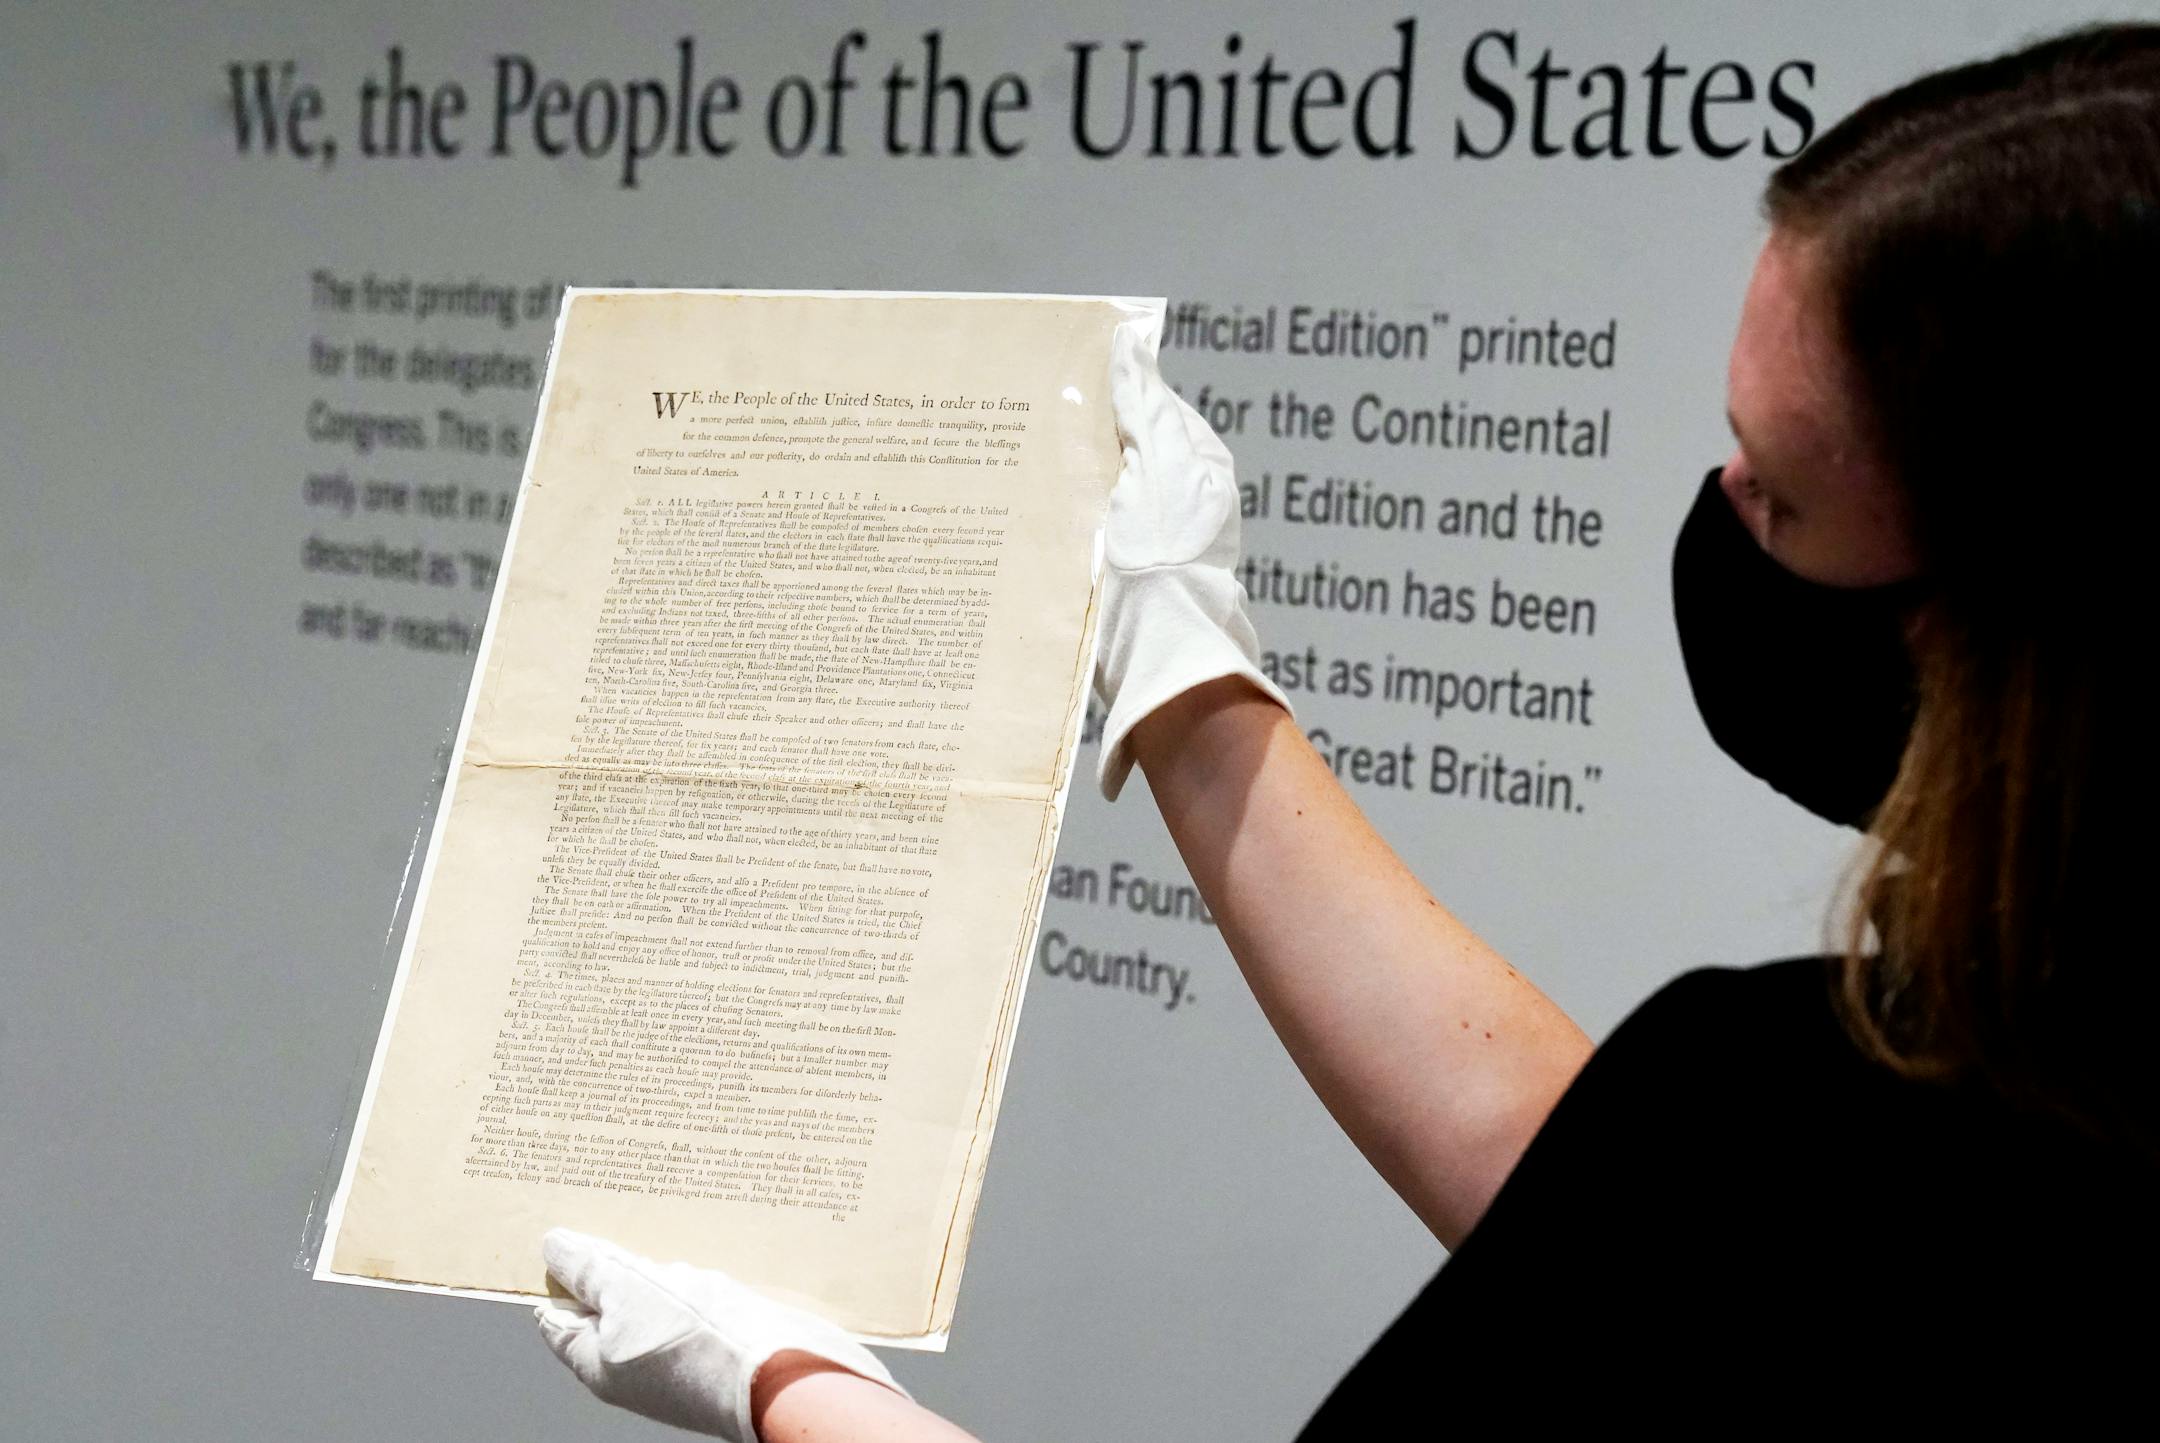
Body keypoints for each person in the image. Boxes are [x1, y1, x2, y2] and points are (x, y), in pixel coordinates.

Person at [532, 22, 2160, 1437]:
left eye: (1785, 497)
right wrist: (1181, 672)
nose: (1729, 504)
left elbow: (1726, 1214)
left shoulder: (1854, 1101)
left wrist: (793, 1388)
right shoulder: (1960, 1088)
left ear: (2009, 632)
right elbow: (1679, 1234)